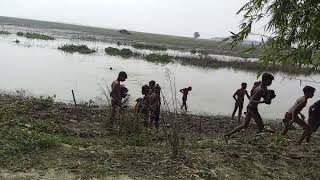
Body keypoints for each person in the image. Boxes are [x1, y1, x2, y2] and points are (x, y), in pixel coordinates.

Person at [224, 73, 275, 139]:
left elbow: (265, 97)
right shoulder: (260, 89)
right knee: (261, 126)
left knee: (245, 125)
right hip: (252, 109)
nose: (271, 83)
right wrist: (263, 101)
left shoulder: (263, 87)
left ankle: (228, 134)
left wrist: (268, 98)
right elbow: (251, 100)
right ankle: (256, 140)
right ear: (265, 80)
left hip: (249, 107)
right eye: (270, 81)